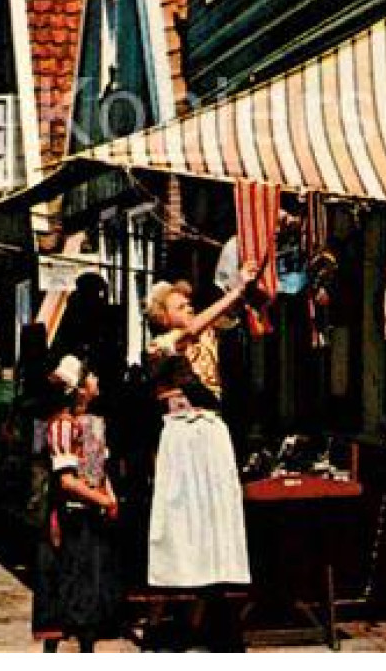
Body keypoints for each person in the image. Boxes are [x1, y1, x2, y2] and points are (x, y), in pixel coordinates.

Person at [143, 264, 258, 646]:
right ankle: (159, 621)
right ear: (163, 315)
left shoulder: (207, 335)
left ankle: (200, 620)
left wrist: (248, 283)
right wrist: (235, 291)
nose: (189, 308)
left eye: (189, 303)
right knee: (178, 524)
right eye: (180, 304)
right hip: (183, 438)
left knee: (212, 522)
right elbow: (192, 330)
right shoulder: (159, 344)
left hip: (210, 432)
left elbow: (227, 320)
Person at [32, 356, 121, 652]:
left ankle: (86, 646)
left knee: (89, 588)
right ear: (80, 389)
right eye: (90, 375)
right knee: (65, 585)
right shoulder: (61, 425)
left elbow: (98, 467)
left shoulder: (93, 423)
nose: (97, 378)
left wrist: (108, 494)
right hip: (69, 517)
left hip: (90, 515)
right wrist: (103, 500)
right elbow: (67, 481)